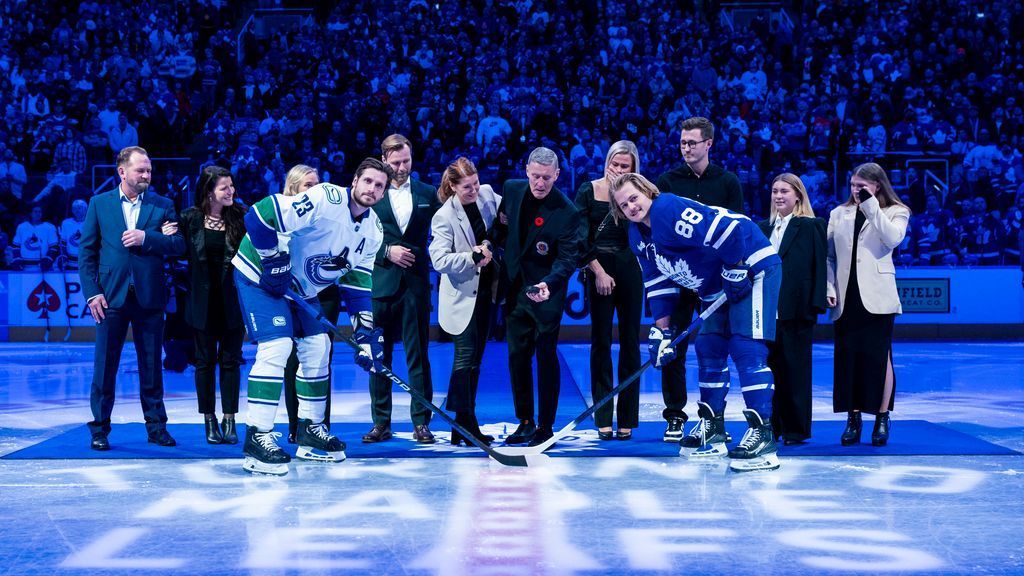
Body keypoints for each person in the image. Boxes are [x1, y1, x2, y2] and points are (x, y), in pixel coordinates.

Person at [610, 173, 782, 472]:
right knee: (708, 346)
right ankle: (713, 427)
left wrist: (735, 267)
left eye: (634, 198)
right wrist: (662, 331)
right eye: (624, 205)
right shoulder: (637, 235)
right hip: (718, 283)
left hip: (752, 266)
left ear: (648, 191)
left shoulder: (667, 210)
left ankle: (763, 433)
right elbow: (657, 281)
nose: (631, 207)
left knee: (745, 346)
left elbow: (729, 231)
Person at [231, 158, 390, 475]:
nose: (372, 189)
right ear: (355, 180)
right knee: (277, 347)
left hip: (300, 288)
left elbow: (356, 285)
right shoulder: (325, 197)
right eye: (368, 181)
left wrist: (365, 337)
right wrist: (273, 260)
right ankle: (257, 436)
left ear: (384, 193)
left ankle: (309, 430)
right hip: (259, 274)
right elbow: (258, 216)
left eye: (379, 185)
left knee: (319, 346)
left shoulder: (374, 231)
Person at [79, 146, 185, 451]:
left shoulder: (162, 204)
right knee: (105, 366)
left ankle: (156, 427)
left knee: (152, 364)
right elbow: (86, 253)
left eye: (149, 170)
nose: (147, 176)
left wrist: (147, 238)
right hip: (110, 297)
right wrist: (92, 293)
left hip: (150, 297)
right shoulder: (99, 204)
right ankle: (99, 429)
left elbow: (177, 244)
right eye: (141, 170)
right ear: (122, 171)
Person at [653, 116, 744, 442]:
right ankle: (675, 416)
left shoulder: (728, 182)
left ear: (709, 144)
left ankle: (713, 416)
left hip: (715, 284)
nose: (686, 148)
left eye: (692, 142)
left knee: (716, 349)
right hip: (678, 279)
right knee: (672, 346)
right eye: (682, 142)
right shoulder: (666, 181)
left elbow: (737, 231)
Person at [492, 147, 582, 447]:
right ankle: (525, 422)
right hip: (515, 290)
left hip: (547, 294)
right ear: (526, 171)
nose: (540, 183)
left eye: (546, 177)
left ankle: (546, 426)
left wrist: (550, 283)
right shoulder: (512, 189)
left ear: (557, 175)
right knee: (517, 357)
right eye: (535, 176)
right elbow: (501, 229)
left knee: (545, 358)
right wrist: (486, 246)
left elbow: (568, 259)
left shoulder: (567, 211)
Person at [826, 163, 911, 447]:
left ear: (877, 186)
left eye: (862, 186)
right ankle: (853, 418)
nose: (855, 190)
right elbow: (829, 256)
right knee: (849, 358)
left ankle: (882, 417)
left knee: (879, 358)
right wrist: (829, 286)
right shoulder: (838, 213)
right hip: (845, 296)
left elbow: (892, 239)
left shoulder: (896, 212)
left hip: (877, 297)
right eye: (852, 185)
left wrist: (871, 206)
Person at [365, 134, 441, 445]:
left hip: (415, 285)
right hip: (380, 283)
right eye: (395, 163)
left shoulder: (427, 193)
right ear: (384, 160)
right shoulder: (370, 193)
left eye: (406, 161)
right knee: (378, 356)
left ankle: (421, 422)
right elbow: (359, 234)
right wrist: (387, 251)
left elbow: (443, 230)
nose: (401, 167)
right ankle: (380, 422)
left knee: (418, 354)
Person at [574, 141, 644, 441]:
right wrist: (599, 272)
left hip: (630, 268)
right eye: (614, 164)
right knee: (600, 342)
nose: (617, 170)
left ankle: (627, 418)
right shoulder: (587, 191)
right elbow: (579, 237)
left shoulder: (639, 193)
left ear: (633, 168)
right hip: (598, 268)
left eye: (624, 166)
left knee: (631, 343)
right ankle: (603, 416)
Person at [428, 157, 501, 446]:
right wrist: (471, 256)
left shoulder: (487, 194)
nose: (474, 189)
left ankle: (462, 426)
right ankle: (465, 423)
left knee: (475, 361)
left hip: (487, 291)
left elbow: (502, 216)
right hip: (462, 295)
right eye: (467, 186)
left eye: (476, 182)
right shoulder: (444, 216)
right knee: (465, 359)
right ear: (453, 186)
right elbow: (439, 259)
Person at [176, 166, 247, 444]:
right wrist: (166, 231)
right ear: (209, 192)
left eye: (232, 186)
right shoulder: (189, 218)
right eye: (224, 188)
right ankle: (209, 420)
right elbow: (174, 246)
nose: (231, 192)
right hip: (201, 304)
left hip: (233, 303)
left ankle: (230, 419)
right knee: (204, 363)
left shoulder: (241, 216)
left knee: (230, 362)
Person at [757, 174, 827, 445]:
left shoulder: (811, 226)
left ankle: (796, 429)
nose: (778, 196)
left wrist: (816, 304)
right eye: (774, 191)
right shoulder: (762, 228)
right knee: (770, 372)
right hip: (766, 312)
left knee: (796, 372)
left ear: (798, 195)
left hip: (797, 309)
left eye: (784, 191)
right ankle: (772, 426)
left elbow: (819, 267)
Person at [276, 165, 341, 444]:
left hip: (325, 293)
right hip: (291, 295)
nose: (315, 190)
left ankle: (320, 425)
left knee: (321, 358)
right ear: (293, 188)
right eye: (308, 185)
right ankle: (296, 425)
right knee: (294, 361)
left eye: (317, 184)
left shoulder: (330, 217)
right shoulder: (283, 218)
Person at [8, 205, 59, 271]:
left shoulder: (50, 227)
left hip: (43, 267)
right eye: (35, 211)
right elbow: (16, 245)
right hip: (25, 267)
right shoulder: (22, 227)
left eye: (40, 212)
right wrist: (17, 258)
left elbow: (54, 246)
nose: (38, 213)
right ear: (30, 213)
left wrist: (49, 258)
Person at [59, 199, 88, 270]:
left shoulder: (92, 222)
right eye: (74, 208)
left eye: (79, 207)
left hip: (88, 263)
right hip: (70, 263)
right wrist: (64, 257)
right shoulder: (66, 223)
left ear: (86, 209)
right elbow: (63, 243)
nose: (77, 210)